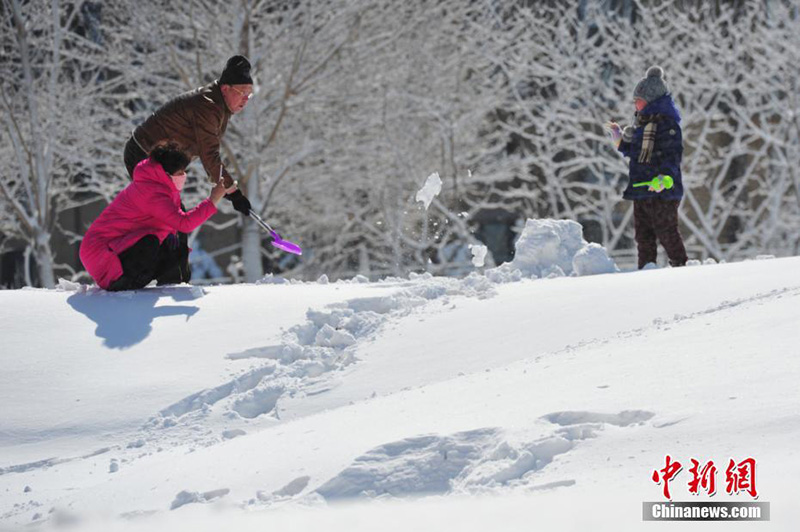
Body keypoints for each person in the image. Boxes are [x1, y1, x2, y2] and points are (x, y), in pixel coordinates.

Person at [122, 55, 255, 279]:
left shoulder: (219, 105)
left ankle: (173, 278)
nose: (245, 99)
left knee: (167, 219)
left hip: (158, 162)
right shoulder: (209, 106)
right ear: (225, 88)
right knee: (173, 218)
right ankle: (173, 280)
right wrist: (233, 192)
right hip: (143, 155)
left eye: (249, 93)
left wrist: (232, 192)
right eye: (242, 92)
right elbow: (209, 154)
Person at [80, 145, 236, 291]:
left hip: (118, 247)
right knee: (152, 242)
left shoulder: (163, 186)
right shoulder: (150, 191)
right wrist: (213, 200)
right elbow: (184, 223)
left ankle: (174, 285)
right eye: (180, 172)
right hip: (102, 255)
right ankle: (123, 285)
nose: (183, 176)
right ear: (166, 173)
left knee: (174, 244)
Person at [606, 65, 689, 269]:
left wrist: (665, 178)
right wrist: (619, 140)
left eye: (638, 99)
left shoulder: (667, 126)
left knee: (666, 230)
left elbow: (672, 155)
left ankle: (680, 266)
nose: (635, 104)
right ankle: (646, 269)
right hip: (642, 188)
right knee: (643, 235)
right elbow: (636, 153)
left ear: (651, 100)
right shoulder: (642, 125)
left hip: (663, 190)